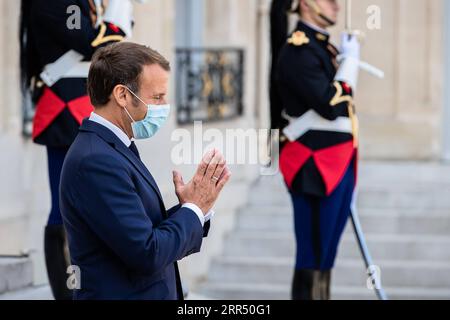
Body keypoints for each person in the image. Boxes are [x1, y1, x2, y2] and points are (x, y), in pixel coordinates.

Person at [59, 42, 231, 300]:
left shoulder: (114, 146)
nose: (164, 106)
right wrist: (193, 209)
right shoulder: (95, 160)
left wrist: (194, 208)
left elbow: (137, 231)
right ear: (122, 95)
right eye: (158, 97)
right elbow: (146, 253)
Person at [19, 0, 138, 299]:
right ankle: (69, 293)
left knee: (97, 205)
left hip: (87, 106)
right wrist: (119, 11)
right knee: (64, 209)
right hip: (66, 109)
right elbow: (92, 43)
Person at [270, 0, 361, 299]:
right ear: (305, 4)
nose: (336, 6)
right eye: (328, 0)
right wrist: (349, 66)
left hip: (337, 160)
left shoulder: (322, 47)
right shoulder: (298, 49)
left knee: (326, 255)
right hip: (314, 164)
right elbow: (330, 105)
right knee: (313, 253)